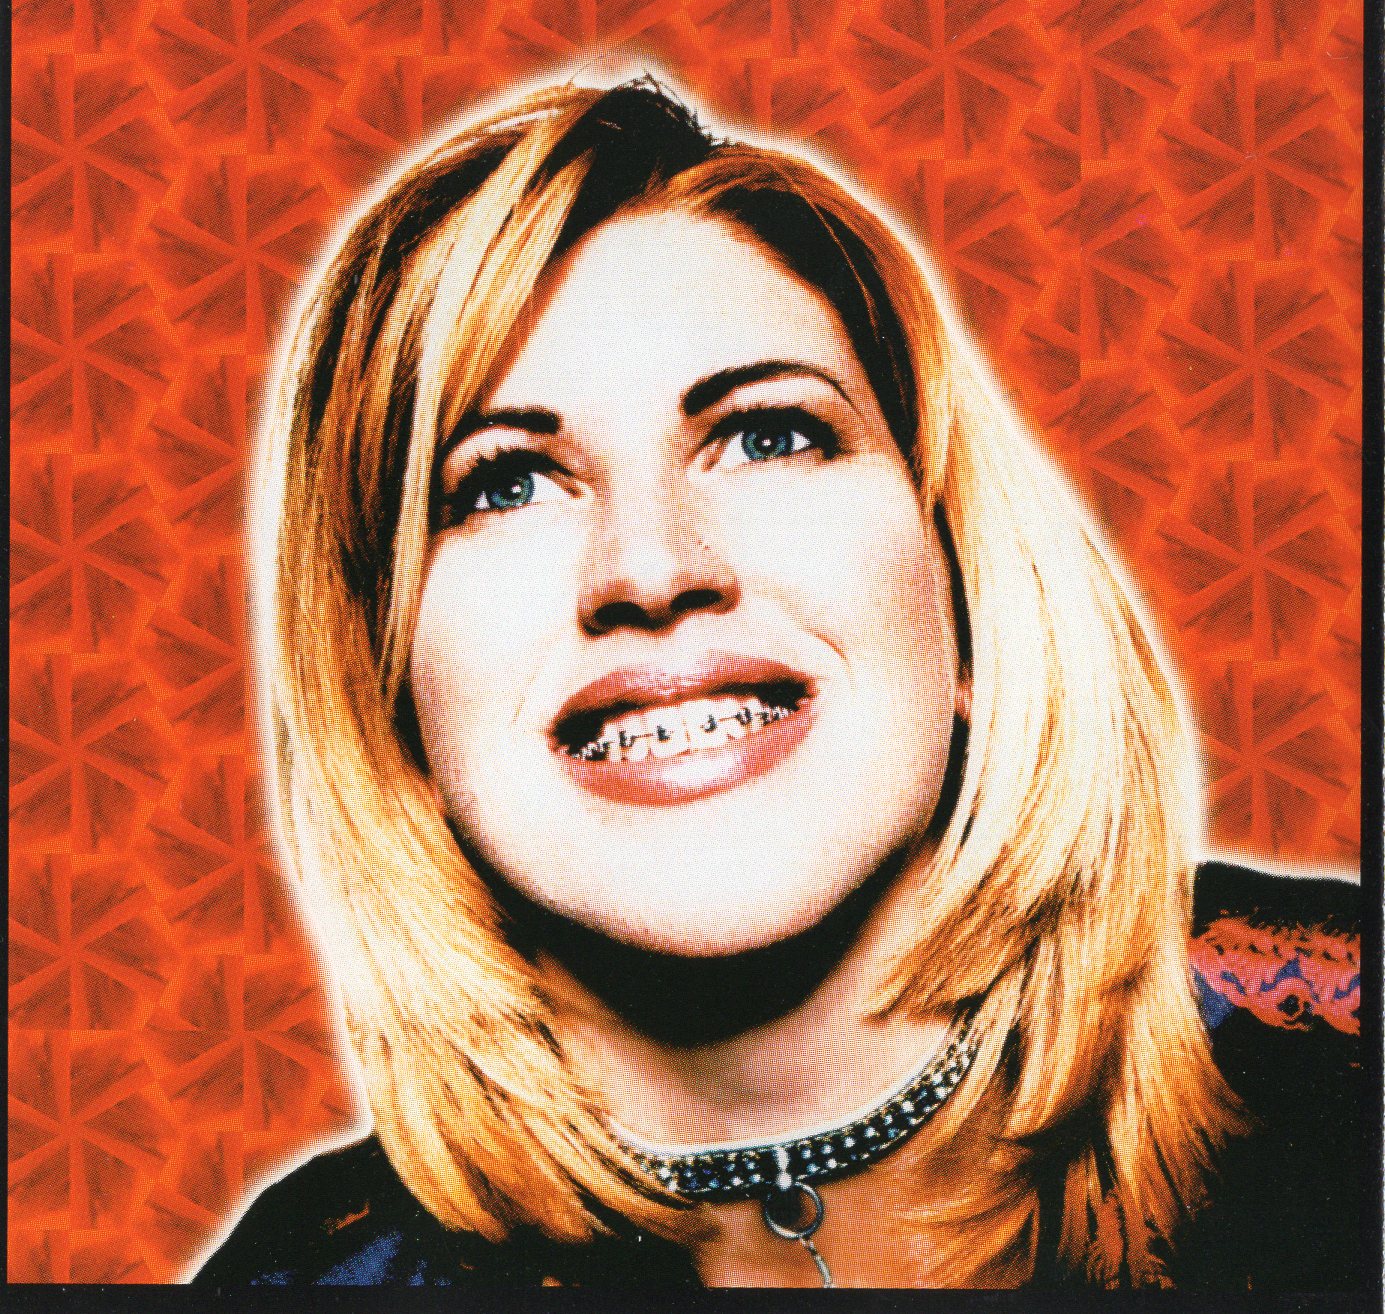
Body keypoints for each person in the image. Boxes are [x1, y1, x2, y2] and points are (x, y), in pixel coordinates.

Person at [191, 78, 1363, 1289]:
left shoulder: (1335, 1040)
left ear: (958, 585)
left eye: (766, 434)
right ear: (389, 692)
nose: (651, 568)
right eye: (503, 482)